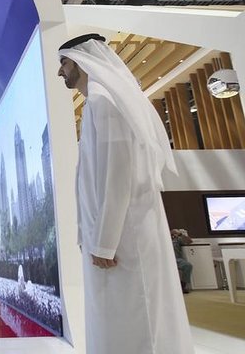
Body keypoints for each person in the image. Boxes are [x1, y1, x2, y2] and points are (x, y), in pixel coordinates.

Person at [57, 33, 193, 354]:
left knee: (136, 319)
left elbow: (118, 175)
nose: (60, 71)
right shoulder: (97, 102)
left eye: (63, 63)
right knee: (116, 318)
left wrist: (105, 240)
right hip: (113, 238)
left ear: (80, 61)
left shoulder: (105, 101)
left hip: (124, 240)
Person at [171, 228, 194, 293]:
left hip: (177, 259)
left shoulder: (177, 239)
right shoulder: (163, 239)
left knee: (188, 266)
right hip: (166, 260)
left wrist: (180, 234)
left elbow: (190, 241)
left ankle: (182, 286)